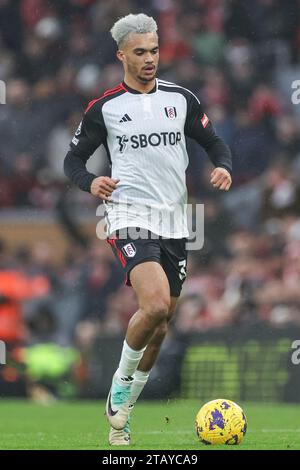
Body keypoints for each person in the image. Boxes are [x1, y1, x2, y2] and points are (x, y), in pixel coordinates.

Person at [64, 13, 232, 446]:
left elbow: (214, 142)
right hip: (127, 217)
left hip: (177, 221)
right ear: (122, 55)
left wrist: (223, 167)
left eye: (154, 51)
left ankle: (123, 413)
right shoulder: (104, 108)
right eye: (140, 52)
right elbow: (72, 162)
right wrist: (91, 182)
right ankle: (119, 383)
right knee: (154, 304)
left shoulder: (181, 99)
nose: (150, 59)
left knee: (161, 325)